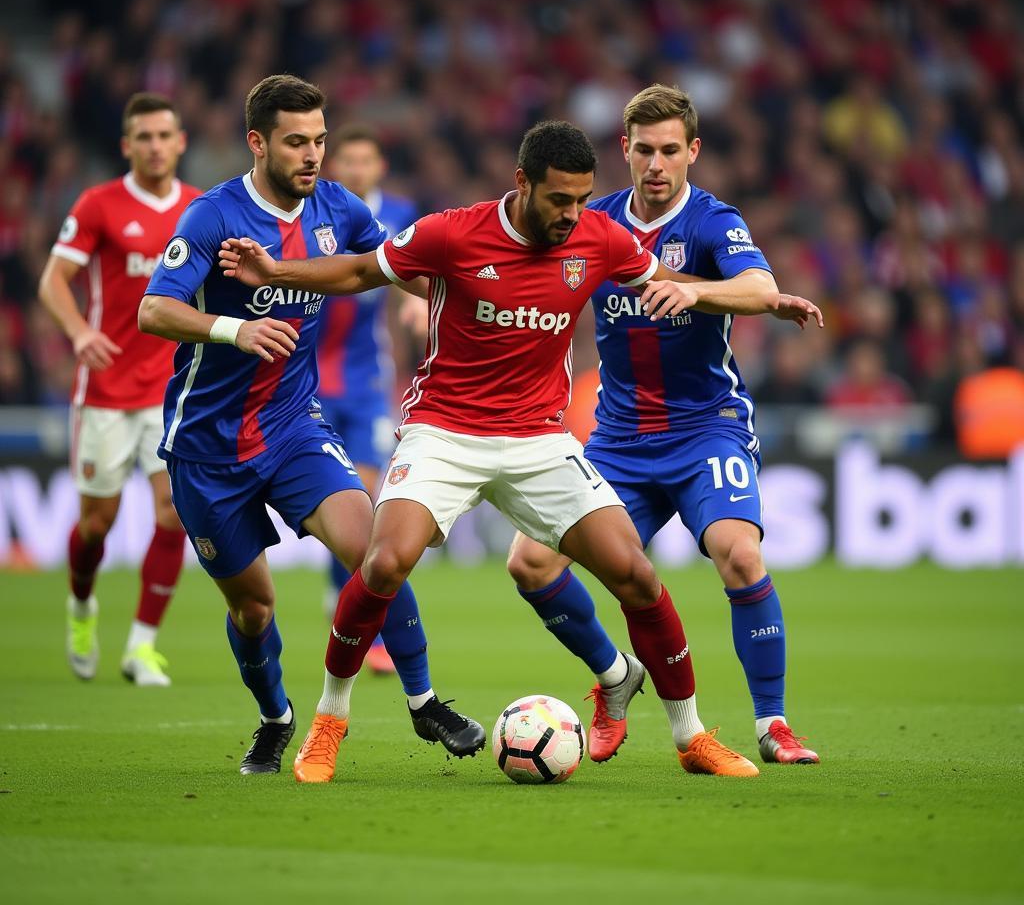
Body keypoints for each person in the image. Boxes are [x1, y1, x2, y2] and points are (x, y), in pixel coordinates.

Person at [220, 119, 811, 783]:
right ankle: (329, 722)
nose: (571, 215)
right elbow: (362, 269)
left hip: (538, 438)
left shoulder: (599, 235)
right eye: (559, 199)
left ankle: (691, 735)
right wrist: (277, 270)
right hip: (444, 430)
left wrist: (763, 299)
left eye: (583, 199)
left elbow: (674, 283)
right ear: (523, 183)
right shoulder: (453, 232)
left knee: (637, 577)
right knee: (383, 564)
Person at [138, 74, 484, 775]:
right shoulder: (212, 216)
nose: (313, 155)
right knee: (255, 611)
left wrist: (456, 295)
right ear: (258, 142)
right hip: (207, 449)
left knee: (379, 555)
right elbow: (154, 311)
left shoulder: (339, 207)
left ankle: (424, 703)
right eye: (297, 142)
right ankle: (275, 717)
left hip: (295, 426)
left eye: (320, 140)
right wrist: (235, 329)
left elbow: (401, 266)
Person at [506, 85, 823, 765]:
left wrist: (695, 289)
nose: (656, 164)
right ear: (624, 150)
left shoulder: (712, 222)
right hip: (618, 440)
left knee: (740, 554)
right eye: (643, 150)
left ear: (693, 153)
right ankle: (614, 675)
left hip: (707, 430)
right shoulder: (591, 221)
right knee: (529, 562)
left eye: (670, 151)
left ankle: (773, 724)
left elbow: (759, 289)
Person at [38, 92, 199, 687]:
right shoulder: (99, 204)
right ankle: (82, 604)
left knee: (174, 513)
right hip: (105, 391)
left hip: (174, 392)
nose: (155, 146)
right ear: (126, 145)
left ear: (181, 142)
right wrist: (79, 333)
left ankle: (141, 646)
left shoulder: (198, 209)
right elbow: (53, 281)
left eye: (165, 135)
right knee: (96, 525)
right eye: (144, 136)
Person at [317, 125, 419, 674]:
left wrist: (417, 304)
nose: (356, 170)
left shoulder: (400, 214)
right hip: (307, 380)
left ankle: (362, 624)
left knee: (366, 496)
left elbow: (421, 271)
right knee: (344, 510)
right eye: (347, 160)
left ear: (379, 167)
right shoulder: (319, 212)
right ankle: (347, 611)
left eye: (366, 160)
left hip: (366, 382)